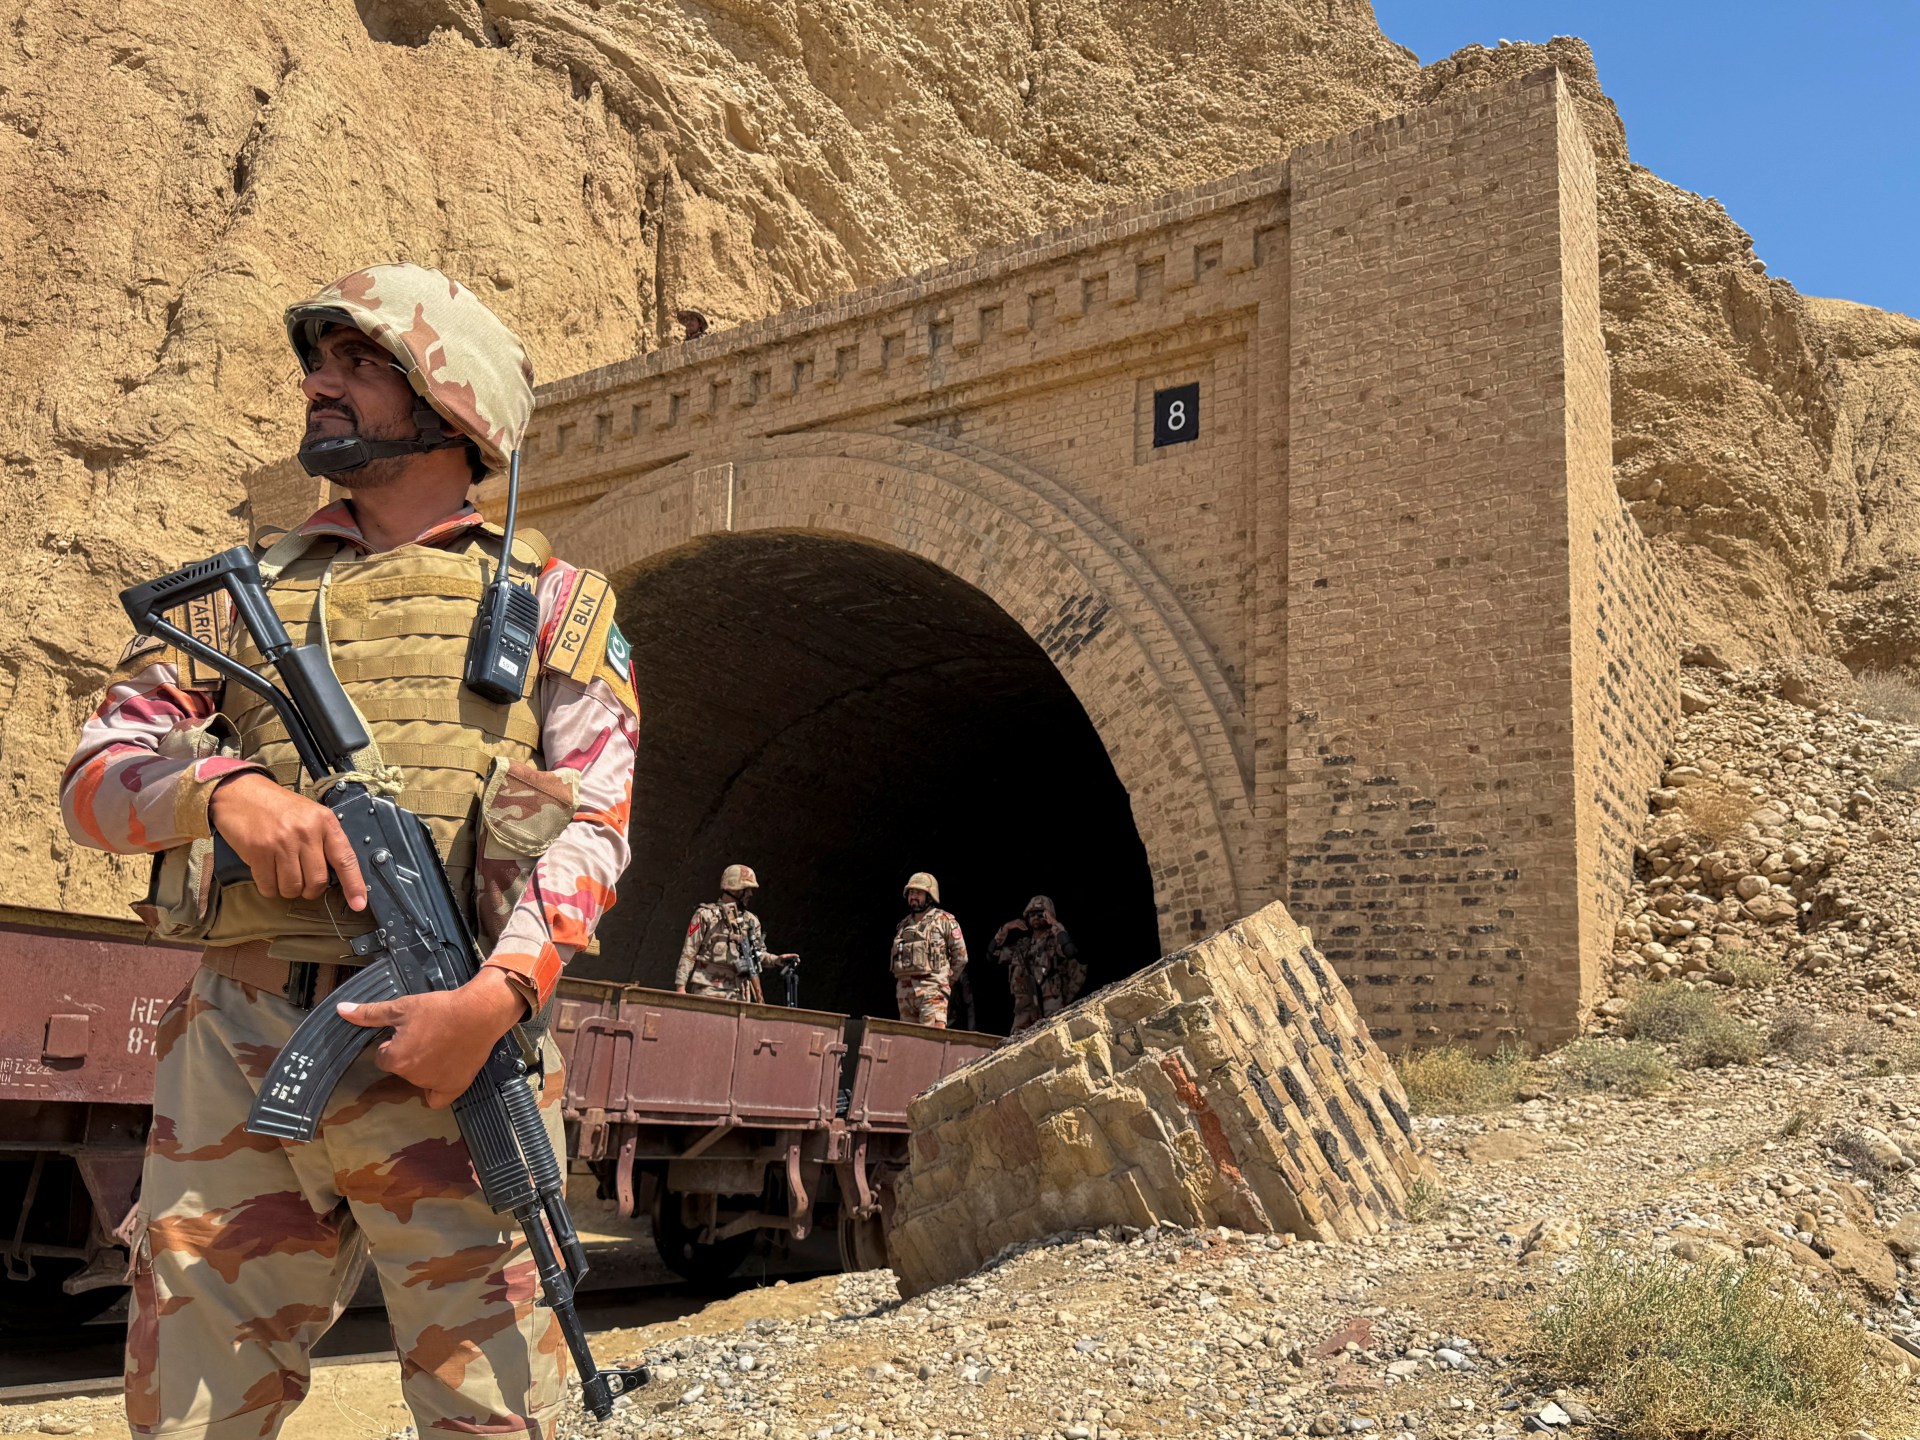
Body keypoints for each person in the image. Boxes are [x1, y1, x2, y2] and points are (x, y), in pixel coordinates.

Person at [61, 263, 641, 1440]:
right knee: (189, 1419)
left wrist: (493, 999)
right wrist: (224, 792)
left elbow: (594, 828)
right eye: (317, 362)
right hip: (239, 1047)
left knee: (497, 1415)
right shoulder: (235, 607)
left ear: (452, 400)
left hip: (455, 1054)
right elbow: (94, 784)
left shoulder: (557, 608)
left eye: (359, 362)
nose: (318, 385)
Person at [674, 863, 797, 1000]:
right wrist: (681, 988)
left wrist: (776, 960)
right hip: (709, 991)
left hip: (740, 994)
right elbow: (689, 952)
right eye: (746, 889)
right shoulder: (706, 915)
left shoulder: (751, 921)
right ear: (735, 889)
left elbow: (758, 955)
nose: (750, 894)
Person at [992, 894, 1085, 1034]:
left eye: (1040, 914)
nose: (1035, 917)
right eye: (1032, 914)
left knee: (1055, 1034)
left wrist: (1055, 924)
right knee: (1017, 1039)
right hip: (1025, 1005)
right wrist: (1005, 929)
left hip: (1051, 1001)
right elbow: (992, 955)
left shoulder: (1055, 941)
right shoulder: (1022, 947)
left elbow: (1071, 951)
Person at [889, 871, 967, 1028]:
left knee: (931, 1039)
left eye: (918, 893)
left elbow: (960, 957)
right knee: (907, 1039)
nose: (913, 897)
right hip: (905, 996)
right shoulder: (903, 925)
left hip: (932, 993)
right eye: (911, 892)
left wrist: (945, 982)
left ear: (930, 896)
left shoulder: (944, 921)